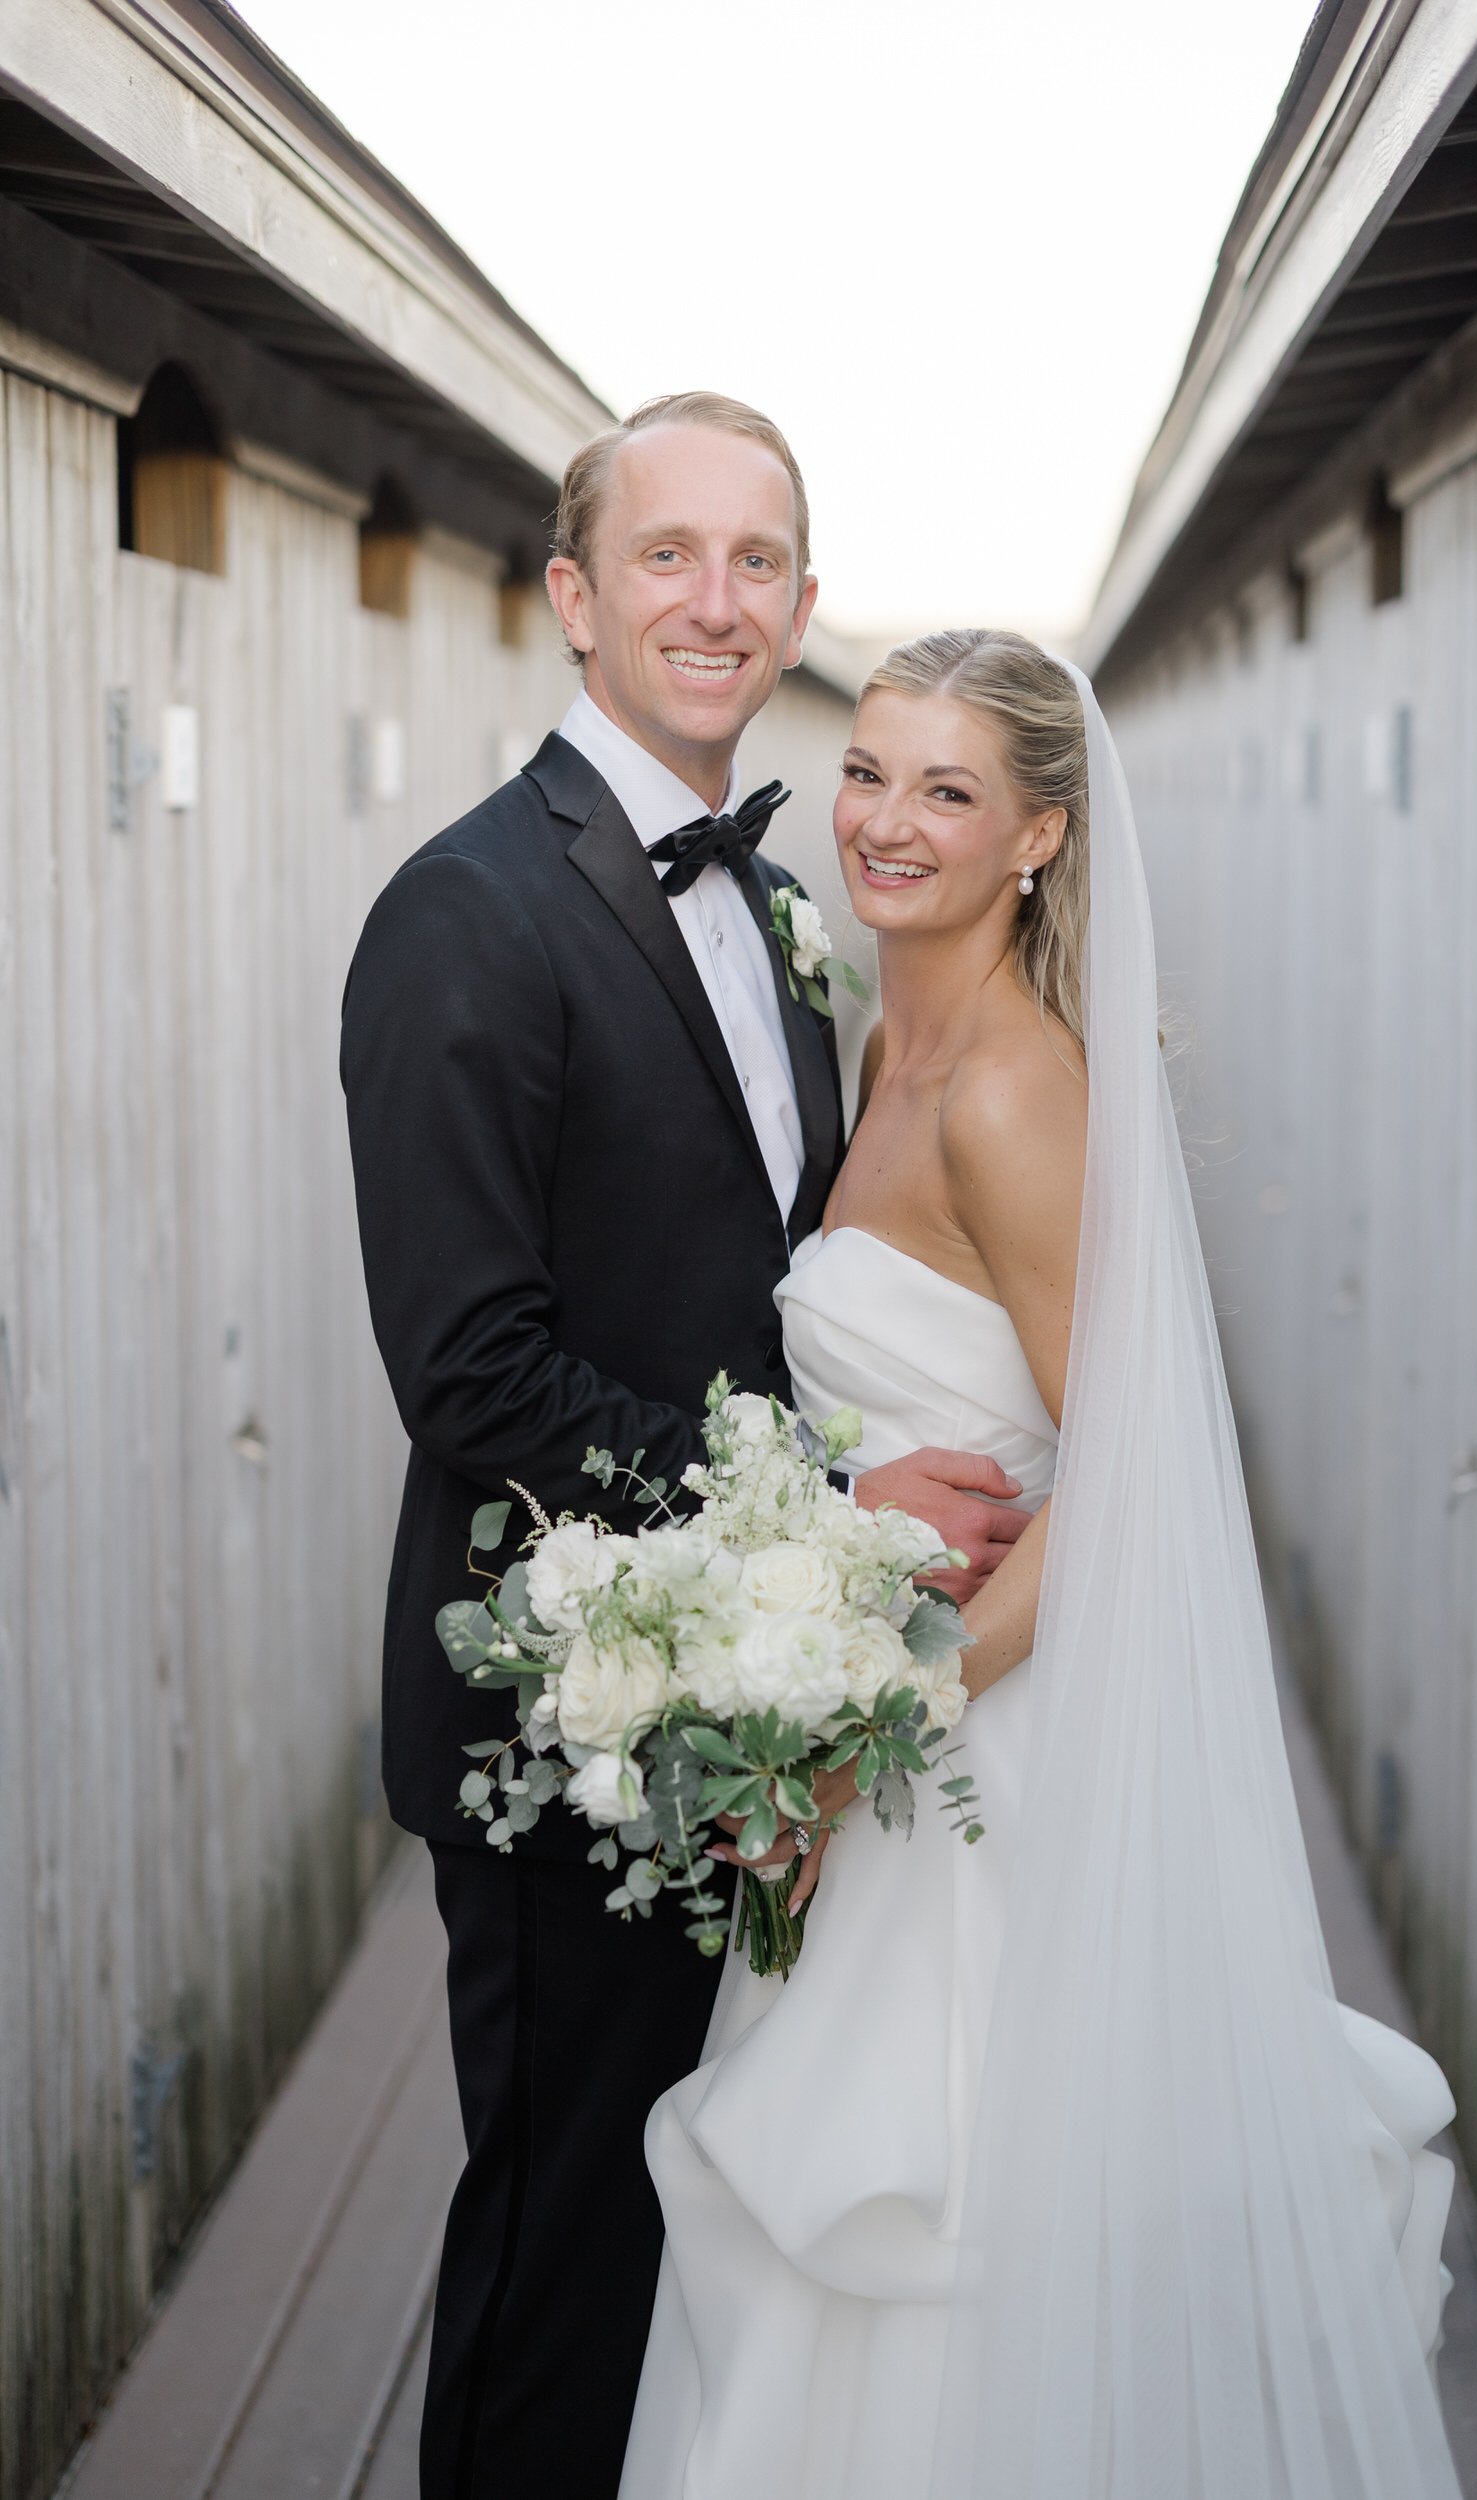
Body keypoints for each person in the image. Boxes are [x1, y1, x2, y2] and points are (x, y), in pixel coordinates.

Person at [621, 631, 1466, 2500]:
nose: (886, 823)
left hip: (984, 1742)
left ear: (1040, 839)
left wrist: (880, 1725)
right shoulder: (875, 1034)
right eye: (870, 773)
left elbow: (1132, 1476)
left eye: (948, 792)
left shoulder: (1010, 1090)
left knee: (962, 2224)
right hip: (889, 1709)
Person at [339, 401, 1028, 2500]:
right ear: (575, 598)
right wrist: (831, 1517)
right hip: (572, 1730)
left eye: (757, 561)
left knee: (697, 2249)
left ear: (804, 604)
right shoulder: (465, 915)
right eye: (666, 555)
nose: (715, 600)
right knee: (562, 2269)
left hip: (755, 1712)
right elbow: (477, 1374)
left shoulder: (789, 909)